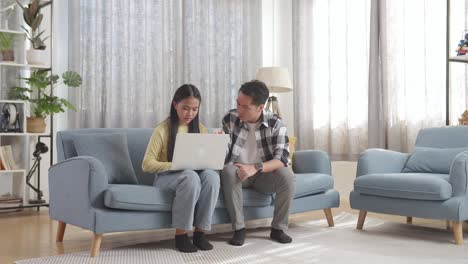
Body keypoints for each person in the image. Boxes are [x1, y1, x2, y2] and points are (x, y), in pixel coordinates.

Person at [142, 84, 220, 253]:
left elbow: (206, 160)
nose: (190, 114)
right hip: (166, 178)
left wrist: (218, 146)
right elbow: (147, 164)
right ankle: (181, 235)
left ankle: (200, 233)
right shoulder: (162, 130)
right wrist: (177, 164)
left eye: (194, 109)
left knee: (212, 177)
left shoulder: (201, 129)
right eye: (185, 108)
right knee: (190, 177)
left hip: (192, 175)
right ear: (174, 104)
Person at [221, 80, 296, 246]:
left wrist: (256, 167)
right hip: (238, 174)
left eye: (245, 107)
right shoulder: (230, 119)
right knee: (227, 171)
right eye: (238, 104)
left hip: (263, 176)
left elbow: (283, 159)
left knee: (287, 175)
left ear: (260, 107)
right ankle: (239, 229)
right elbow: (224, 156)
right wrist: (218, 142)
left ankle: (278, 228)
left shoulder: (276, 124)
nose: (239, 109)